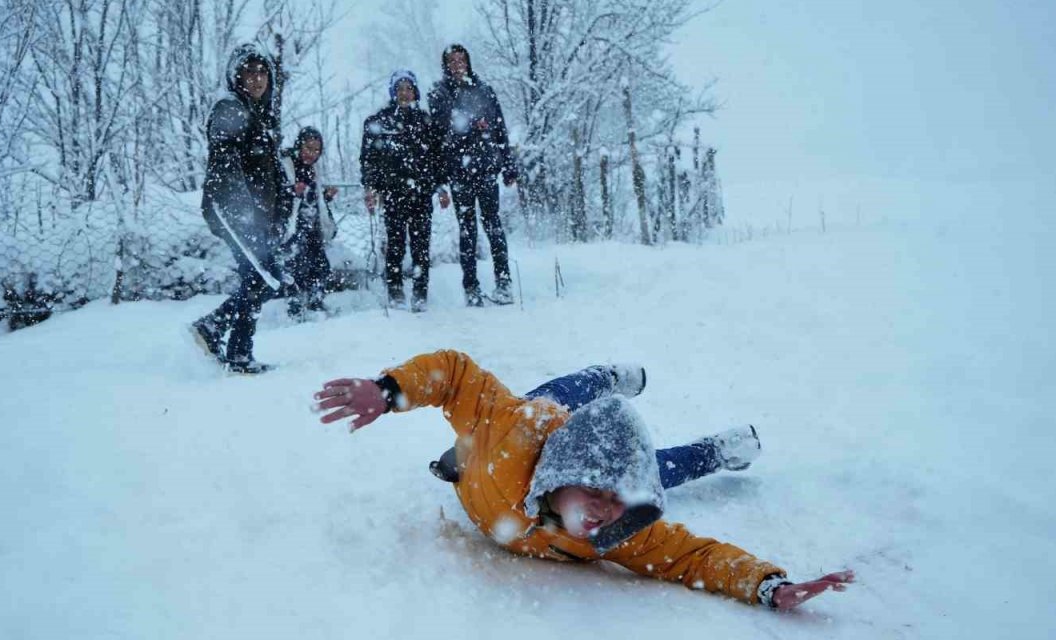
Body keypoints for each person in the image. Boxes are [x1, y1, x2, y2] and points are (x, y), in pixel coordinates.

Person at [313, 350, 855, 610]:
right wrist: (387, 390)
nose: (602, 513)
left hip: (574, 457)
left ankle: (718, 450)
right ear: (564, 475)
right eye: (595, 494)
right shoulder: (507, 431)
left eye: (616, 506)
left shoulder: (619, 526)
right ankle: (607, 377)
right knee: (552, 396)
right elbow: (454, 375)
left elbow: (694, 556)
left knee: (661, 469)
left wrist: (766, 584)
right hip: (523, 438)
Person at [190, 44, 286, 374]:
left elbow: (272, 174)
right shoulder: (230, 109)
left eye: (263, 73)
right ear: (237, 76)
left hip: (256, 216)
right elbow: (226, 169)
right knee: (265, 278)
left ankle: (224, 338)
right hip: (234, 214)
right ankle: (229, 343)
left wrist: (278, 214)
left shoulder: (262, 115)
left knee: (263, 278)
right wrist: (247, 215)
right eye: (250, 72)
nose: (258, 79)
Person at [428, 45, 517, 307]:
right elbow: (440, 132)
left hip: (487, 167)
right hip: (459, 171)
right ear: (446, 65)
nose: (457, 64)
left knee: (493, 225)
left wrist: (508, 164)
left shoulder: (485, 90)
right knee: (467, 229)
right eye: (452, 60)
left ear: (468, 61)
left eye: (461, 59)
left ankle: (504, 282)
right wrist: (470, 130)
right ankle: (471, 287)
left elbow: (500, 127)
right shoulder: (440, 93)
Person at [361, 70, 448, 313]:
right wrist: (371, 188)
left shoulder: (426, 121)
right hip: (393, 194)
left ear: (415, 92)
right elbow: (369, 159)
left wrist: (441, 187)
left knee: (421, 246)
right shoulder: (380, 122)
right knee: (395, 245)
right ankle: (395, 291)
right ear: (392, 92)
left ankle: (420, 293)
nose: (404, 93)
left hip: (421, 194)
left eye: (409, 88)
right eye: (399, 88)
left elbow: (437, 159)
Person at [280, 126, 339, 320]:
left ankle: (316, 300)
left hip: (312, 225)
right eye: (307, 148)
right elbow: (274, 194)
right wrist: (291, 192)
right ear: (299, 146)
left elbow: (311, 197)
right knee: (295, 263)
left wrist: (325, 197)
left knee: (320, 264)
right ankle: (294, 304)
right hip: (292, 226)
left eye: (316, 150)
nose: (311, 154)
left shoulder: (314, 170)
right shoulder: (285, 165)